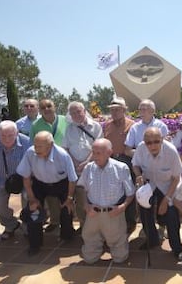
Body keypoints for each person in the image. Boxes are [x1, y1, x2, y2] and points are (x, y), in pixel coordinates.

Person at [16, 131, 77, 255]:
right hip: (40, 183)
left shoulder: (62, 155)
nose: (36, 149)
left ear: (50, 145)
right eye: (35, 145)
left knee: (67, 209)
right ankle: (35, 244)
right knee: (34, 210)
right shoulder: (30, 152)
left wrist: (69, 198)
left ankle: (67, 236)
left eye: (40, 146)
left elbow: (72, 179)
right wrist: (32, 198)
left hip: (61, 183)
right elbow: (26, 177)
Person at [78, 138, 135, 264]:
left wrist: (123, 207)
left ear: (109, 152)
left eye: (98, 153)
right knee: (89, 255)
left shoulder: (121, 168)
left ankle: (119, 253)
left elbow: (130, 193)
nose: (95, 156)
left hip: (113, 213)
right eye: (93, 152)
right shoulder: (88, 168)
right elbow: (82, 187)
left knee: (120, 256)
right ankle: (93, 253)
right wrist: (86, 205)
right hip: (93, 213)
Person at [132, 127, 182, 260]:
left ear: (162, 140)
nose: (153, 145)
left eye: (156, 141)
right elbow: (135, 164)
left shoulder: (171, 151)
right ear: (144, 142)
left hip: (169, 185)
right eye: (149, 143)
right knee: (144, 211)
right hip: (150, 183)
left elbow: (176, 177)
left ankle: (177, 248)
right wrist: (138, 175)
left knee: (171, 216)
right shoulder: (141, 148)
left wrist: (166, 200)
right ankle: (152, 239)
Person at [0, 120, 30, 240]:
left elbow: (32, 159)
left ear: (16, 133)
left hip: (22, 177)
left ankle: (28, 226)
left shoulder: (26, 142)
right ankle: (11, 225)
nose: (6, 139)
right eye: (3, 135)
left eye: (10, 135)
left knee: (29, 200)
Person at [62, 101, 103, 232]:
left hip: (93, 167)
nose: (76, 114)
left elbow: (98, 147)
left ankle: (96, 225)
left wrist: (86, 162)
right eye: (72, 113)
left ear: (84, 111)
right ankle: (83, 224)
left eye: (78, 111)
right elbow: (66, 148)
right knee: (80, 198)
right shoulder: (69, 129)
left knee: (95, 197)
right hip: (76, 169)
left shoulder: (96, 126)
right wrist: (74, 162)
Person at [29, 99, 68, 232]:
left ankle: (67, 227)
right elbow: (32, 146)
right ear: (39, 110)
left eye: (49, 106)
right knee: (51, 196)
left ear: (54, 106)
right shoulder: (36, 125)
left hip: (64, 163)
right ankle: (54, 221)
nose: (46, 109)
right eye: (43, 107)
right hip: (44, 163)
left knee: (64, 196)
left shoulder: (66, 120)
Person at [103, 96, 137, 234]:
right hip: (111, 161)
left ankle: (130, 221)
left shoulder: (132, 125)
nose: (115, 112)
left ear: (124, 110)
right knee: (114, 191)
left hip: (126, 161)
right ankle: (117, 220)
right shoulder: (107, 125)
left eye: (118, 110)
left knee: (129, 191)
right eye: (112, 110)